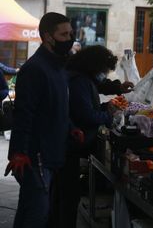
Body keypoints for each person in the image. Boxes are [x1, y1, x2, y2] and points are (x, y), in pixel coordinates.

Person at [4, 12, 83, 228]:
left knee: (28, 210)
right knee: (38, 215)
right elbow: (24, 113)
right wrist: (19, 152)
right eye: (64, 34)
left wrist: (71, 128)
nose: (70, 39)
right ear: (48, 37)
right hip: (34, 156)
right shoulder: (34, 69)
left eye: (71, 33)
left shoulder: (57, 67)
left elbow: (55, 107)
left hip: (52, 152)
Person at [49, 45, 118, 228]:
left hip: (66, 143)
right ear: (94, 66)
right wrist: (109, 116)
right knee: (68, 194)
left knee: (61, 193)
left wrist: (104, 108)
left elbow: (86, 109)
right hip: (69, 145)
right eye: (104, 69)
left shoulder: (80, 78)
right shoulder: (79, 81)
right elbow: (85, 115)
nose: (104, 73)